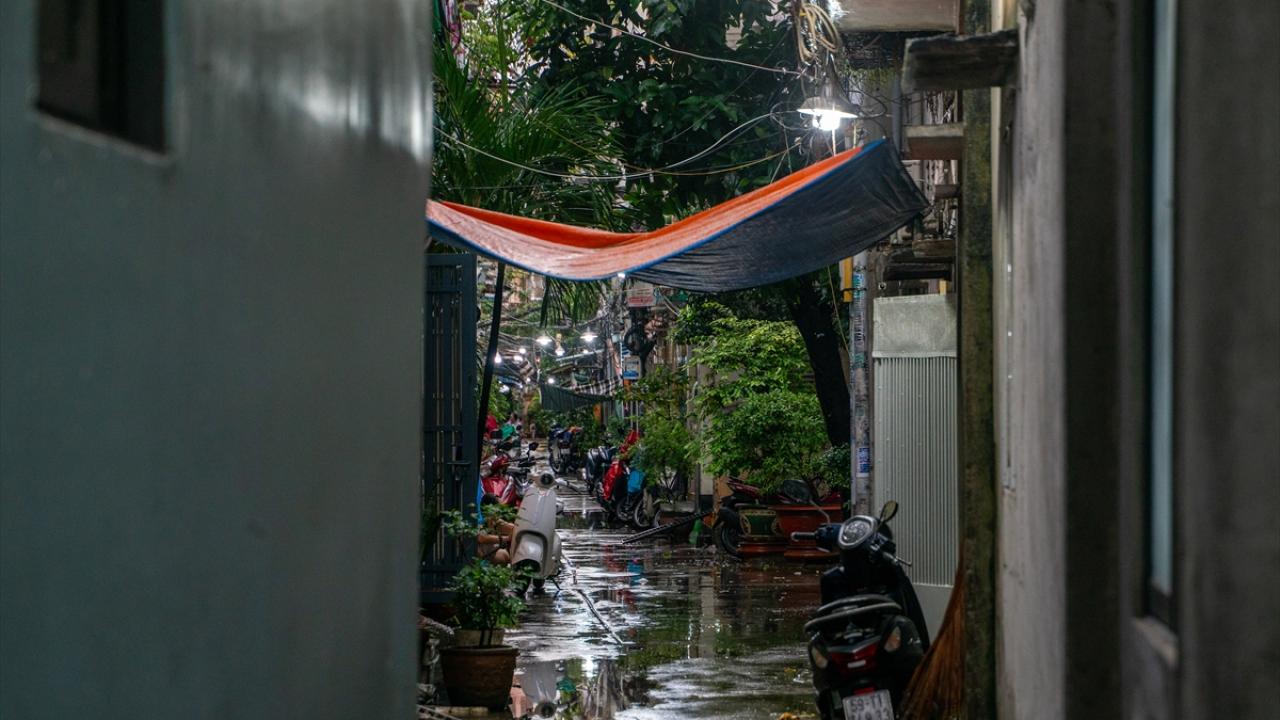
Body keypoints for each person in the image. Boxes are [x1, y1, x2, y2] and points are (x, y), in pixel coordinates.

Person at [476, 493, 515, 565]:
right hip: (484, 559)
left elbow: (513, 528)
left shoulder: (497, 522)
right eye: (499, 508)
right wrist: (506, 538)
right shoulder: (480, 523)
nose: (501, 511)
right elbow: (481, 538)